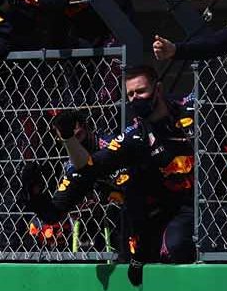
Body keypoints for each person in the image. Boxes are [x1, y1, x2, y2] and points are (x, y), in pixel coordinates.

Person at [30, 66, 195, 274]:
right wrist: (34, 197)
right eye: (130, 95)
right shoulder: (126, 139)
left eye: (141, 92)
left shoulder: (187, 111)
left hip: (188, 203)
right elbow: (59, 206)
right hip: (134, 218)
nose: (136, 99)